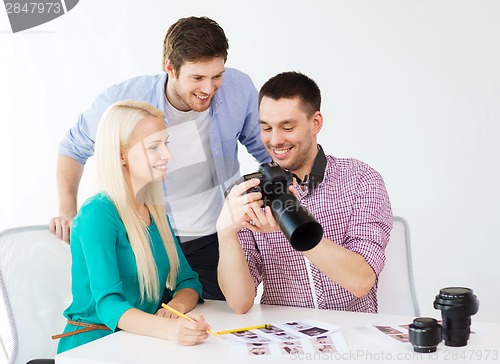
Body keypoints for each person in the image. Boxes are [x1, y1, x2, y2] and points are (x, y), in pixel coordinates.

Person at [49, 16, 270, 300]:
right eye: (197, 78)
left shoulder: (238, 88)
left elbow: (265, 149)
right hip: (144, 238)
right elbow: (72, 148)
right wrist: (67, 210)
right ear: (170, 69)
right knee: (143, 327)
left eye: (217, 76)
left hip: (209, 237)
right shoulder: (125, 100)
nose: (209, 89)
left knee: (215, 326)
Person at [216, 71, 393, 314]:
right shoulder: (249, 193)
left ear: (316, 123)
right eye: (266, 128)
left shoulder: (361, 180)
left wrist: (294, 227)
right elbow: (240, 302)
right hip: (282, 337)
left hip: (352, 335)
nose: (275, 140)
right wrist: (225, 234)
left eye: (287, 127)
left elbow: (361, 281)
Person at [55, 100, 210, 353]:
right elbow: (108, 304)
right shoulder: (98, 214)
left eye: (166, 143)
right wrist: (170, 330)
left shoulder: (156, 214)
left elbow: (189, 282)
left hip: (138, 341)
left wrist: (177, 310)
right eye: (154, 147)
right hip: (93, 348)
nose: (167, 155)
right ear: (121, 155)